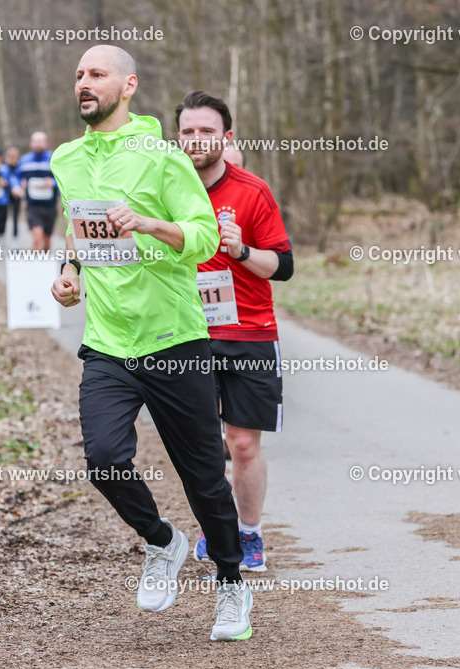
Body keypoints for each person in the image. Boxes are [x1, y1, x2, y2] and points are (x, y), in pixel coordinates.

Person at [50, 45, 252, 642]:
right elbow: (77, 228)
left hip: (175, 341)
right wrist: (69, 273)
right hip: (109, 343)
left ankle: (232, 588)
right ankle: (163, 541)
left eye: (97, 74)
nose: (84, 83)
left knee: (203, 480)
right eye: (80, 75)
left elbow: (203, 236)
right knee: (105, 461)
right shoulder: (67, 158)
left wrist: (149, 224)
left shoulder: (164, 158)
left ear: (129, 85)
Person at [176, 90, 293, 573]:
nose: (196, 139)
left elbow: (282, 267)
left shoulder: (252, 191)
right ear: (176, 137)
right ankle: (215, 526)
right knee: (202, 444)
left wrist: (243, 251)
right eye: (188, 131)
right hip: (182, 333)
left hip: (247, 332)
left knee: (242, 443)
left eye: (207, 131)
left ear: (227, 138)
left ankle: (248, 534)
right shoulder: (161, 189)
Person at [17, 131, 58, 251]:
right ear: (31, 143)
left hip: (50, 206)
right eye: (36, 141)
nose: (38, 144)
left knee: (46, 241)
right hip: (33, 206)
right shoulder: (25, 160)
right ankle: (34, 266)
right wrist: (18, 186)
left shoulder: (54, 158)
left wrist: (53, 182)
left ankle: (44, 264)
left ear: (46, 143)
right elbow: (16, 177)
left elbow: (64, 178)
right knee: (37, 237)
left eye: (41, 141)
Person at [0, 145, 21, 248]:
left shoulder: (20, 166)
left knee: (15, 217)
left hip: (16, 195)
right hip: (4, 195)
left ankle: (15, 240)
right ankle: (0, 238)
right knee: (1, 217)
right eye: (10, 154)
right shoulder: (2, 166)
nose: (12, 156)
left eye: (14, 154)